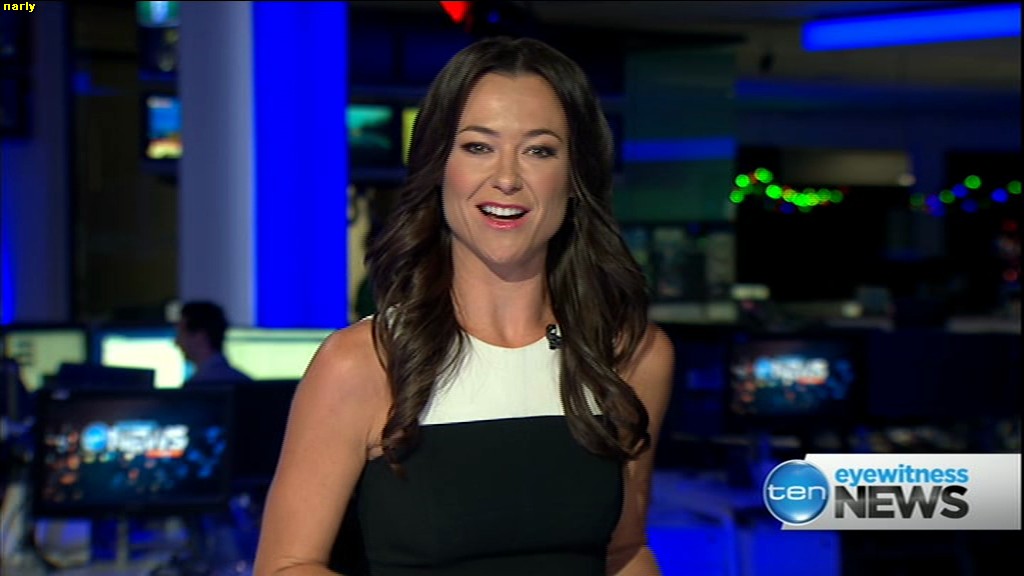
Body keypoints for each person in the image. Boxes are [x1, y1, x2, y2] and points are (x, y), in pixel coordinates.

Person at [253, 36, 674, 576]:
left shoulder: (631, 356)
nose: (507, 178)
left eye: (539, 150)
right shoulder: (362, 363)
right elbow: (287, 565)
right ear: (438, 165)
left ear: (575, 177)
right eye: (478, 147)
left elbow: (625, 552)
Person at [174, 300, 253, 385]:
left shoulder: (196, 386)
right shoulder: (246, 382)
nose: (177, 342)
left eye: (180, 334)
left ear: (200, 336)